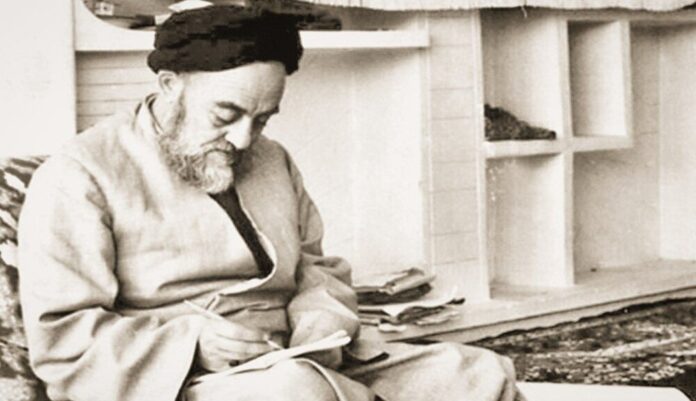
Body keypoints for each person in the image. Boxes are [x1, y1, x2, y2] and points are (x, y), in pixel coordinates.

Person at [18, 5, 520, 401]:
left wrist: (321, 322)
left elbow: (317, 268)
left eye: (261, 119)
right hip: (181, 379)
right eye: (225, 115)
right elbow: (63, 338)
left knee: (478, 373)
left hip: (297, 356)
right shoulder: (81, 174)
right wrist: (191, 344)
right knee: (295, 393)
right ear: (171, 86)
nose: (242, 140)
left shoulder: (272, 159)